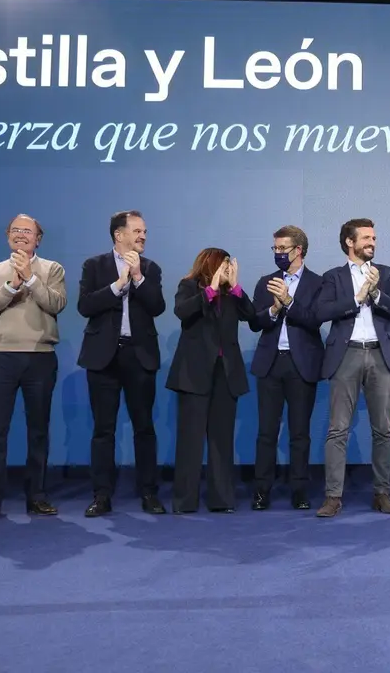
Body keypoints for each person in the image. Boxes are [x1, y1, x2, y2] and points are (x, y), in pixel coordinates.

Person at [0, 214, 67, 519]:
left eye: (27, 231)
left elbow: (56, 303)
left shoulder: (52, 269)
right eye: (15, 230)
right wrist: (12, 286)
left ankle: (36, 496)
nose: (21, 235)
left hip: (39, 357)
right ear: (7, 236)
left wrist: (30, 279)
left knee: (38, 430)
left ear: (38, 239)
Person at [314, 218, 390, 517]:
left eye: (374, 238)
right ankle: (333, 497)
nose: (372, 243)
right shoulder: (333, 277)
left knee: (383, 430)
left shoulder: (386, 274)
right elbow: (321, 312)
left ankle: (382, 493)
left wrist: (376, 293)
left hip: (381, 355)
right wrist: (357, 298)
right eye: (366, 238)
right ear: (349, 242)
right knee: (337, 429)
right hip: (346, 355)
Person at [77, 210, 167, 517]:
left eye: (145, 231)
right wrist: (118, 285)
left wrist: (138, 278)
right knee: (103, 430)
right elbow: (85, 305)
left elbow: (157, 306)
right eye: (137, 231)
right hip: (103, 357)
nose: (143, 236)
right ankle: (101, 495)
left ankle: (149, 493)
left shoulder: (151, 268)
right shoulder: (94, 266)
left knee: (144, 428)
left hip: (139, 355)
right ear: (119, 234)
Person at [166, 248, 255, 513]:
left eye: (230, 267)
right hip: (194, 374)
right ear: (211, 265)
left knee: (221, 440)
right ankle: (184, 501)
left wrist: (235, 287)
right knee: (190, 441)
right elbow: (182, 312)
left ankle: (222, 499)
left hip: (225, 373)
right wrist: (211, 290)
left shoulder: (232, 294)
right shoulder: (189, 286)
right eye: (224, 266)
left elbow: (250, 315)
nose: (227, 270)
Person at [249, 225, 325, 511]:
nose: (278, 253)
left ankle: (299, 490)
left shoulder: (318, 283)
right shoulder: (266, 282)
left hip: (301, 365)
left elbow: (315, 319)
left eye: (283, 248)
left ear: (298, 250)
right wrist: (273, 309)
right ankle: (261, 491)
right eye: (276, 248)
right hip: (270, 364)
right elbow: (254, 321)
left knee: (299, 433)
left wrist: (289, 302)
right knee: (266, 432)